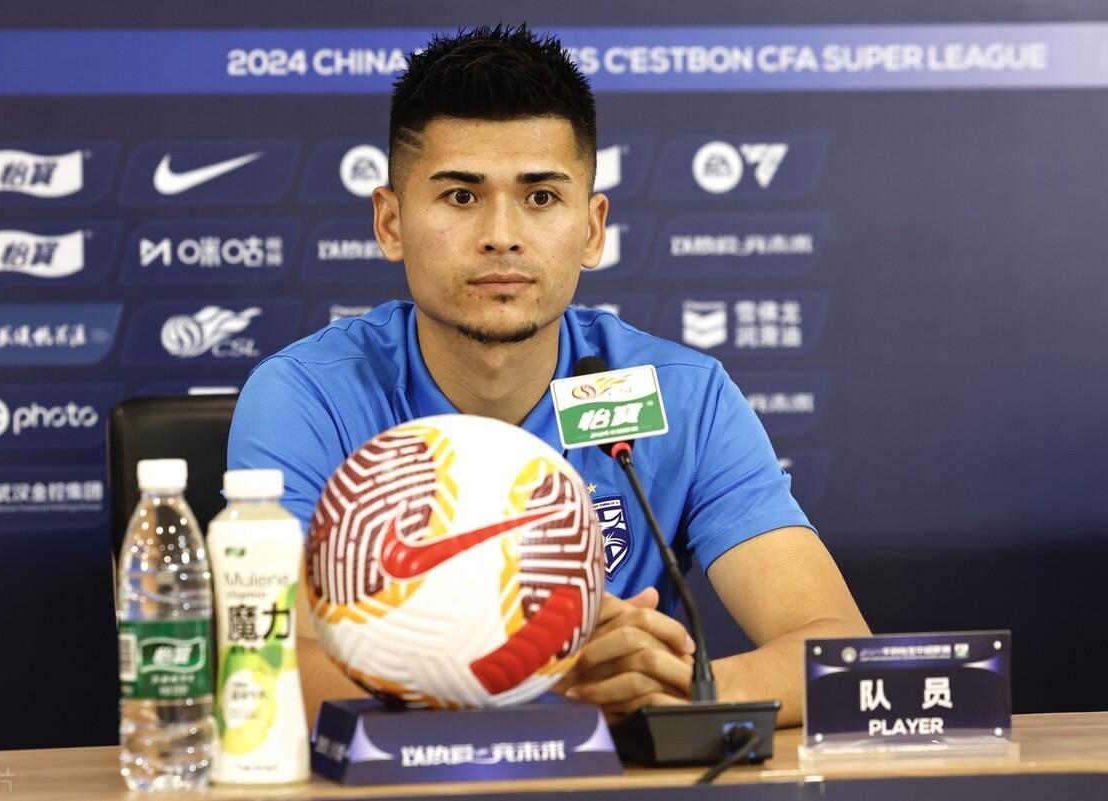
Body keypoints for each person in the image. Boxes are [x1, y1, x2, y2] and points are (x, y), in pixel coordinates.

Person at [228, 24, 868, 727]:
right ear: (390, 223)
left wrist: (674, 688)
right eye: (461, 196)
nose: (501, 235)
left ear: (591, 228)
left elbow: (837, 646)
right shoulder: (307, 395)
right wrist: (550, 688)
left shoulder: (683, 394)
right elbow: (270, 660)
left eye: (540, 198)